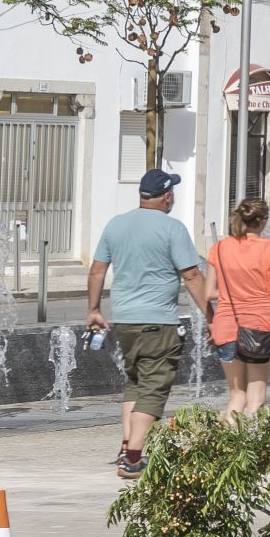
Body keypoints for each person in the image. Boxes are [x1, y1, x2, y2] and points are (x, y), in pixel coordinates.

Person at [87, 170, 211, 478]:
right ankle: (133, 458)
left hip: (124, 320)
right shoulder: (172, 228)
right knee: (154, 388)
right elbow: (192, 276)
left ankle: (126, 445)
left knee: (136, 383)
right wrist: (212, 315)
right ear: (167, 196)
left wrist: (94, 310)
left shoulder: (116, 224)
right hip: (158, 322)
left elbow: (97, 270)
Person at [204, 195, 270, 421]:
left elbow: (208, 293)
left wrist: (233, 291)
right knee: (256, 399)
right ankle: (255, 441)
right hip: (260, 327)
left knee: (237, 395)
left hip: (226, 326)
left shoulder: (219, 248)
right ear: (263, 221)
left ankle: (228, 440)